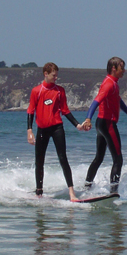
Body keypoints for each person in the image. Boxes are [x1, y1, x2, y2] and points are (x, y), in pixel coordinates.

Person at [27, 62, 85, 201]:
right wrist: (29, 130)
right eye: (54, 75)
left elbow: (65, 111)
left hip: (57, 128)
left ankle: (72, 193)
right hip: (42, 129)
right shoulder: (37, 91)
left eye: (57, 75)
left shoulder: (60, 91)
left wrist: (77, 125)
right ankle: (39, 192)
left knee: (63, 158)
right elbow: (30, 111)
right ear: (45, 74)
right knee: (39, 161)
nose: (56, 78)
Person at [83, 57, 127, 193]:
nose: (124, 70)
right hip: (107, 124)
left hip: (101, 124)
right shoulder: (109, 84)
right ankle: (114, 192)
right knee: (118, 159)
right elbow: (96, 101)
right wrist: (88, 118)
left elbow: (118, 100)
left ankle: (87, 188)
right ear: (114, 68)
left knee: (99, 158)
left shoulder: (113, 83)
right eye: (122, 68)